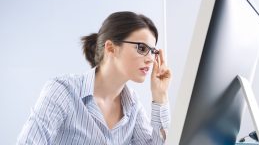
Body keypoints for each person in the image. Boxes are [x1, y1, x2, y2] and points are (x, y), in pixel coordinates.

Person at [17, 11, 172, 145]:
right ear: (111, 48)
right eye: (142, 48)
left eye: (153, 51)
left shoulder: (132, 105)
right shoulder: (63, 91)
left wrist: (160, 96)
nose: (150, 59)